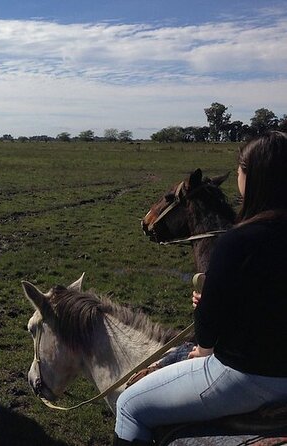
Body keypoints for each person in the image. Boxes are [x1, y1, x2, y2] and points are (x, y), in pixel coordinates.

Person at [114, 131, 287, 445]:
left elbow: (207, 327)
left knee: (129, 406)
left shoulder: (236, 241)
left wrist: (205, 335)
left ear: (252, 178)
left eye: (240, 171)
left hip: (247, 376)